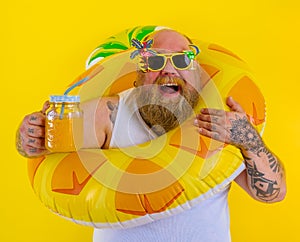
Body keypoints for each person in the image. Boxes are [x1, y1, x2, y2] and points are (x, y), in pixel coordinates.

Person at [16, 29, 286, 242]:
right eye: (156, 60)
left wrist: (251, 142)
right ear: (138, 77)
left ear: (196, 74)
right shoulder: (108, 113)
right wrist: (28, 138)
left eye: (181, 59)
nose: (169, 70)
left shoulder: (220, 118)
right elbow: (45, 143)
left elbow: (273, 194)